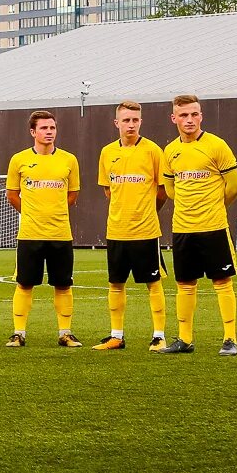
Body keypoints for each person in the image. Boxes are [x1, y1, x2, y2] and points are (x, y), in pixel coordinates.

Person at [160, 95, 237, 356]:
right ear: (174, 118)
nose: (189, 120)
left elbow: (236, 186)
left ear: (201, 116)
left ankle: (230, 339)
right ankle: (185, 339)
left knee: (222, 282)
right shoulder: (170, 150)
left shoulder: (217, 146)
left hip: (213, 226)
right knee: (185, 283)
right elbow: (171, 189)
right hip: (183, 228)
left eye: (194, 114)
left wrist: (215, 207)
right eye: (183, 115)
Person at [4, 111, 82, 348]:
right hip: (30, 234)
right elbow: (11, 194)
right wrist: (31, 213)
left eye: (52, 128)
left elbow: (73, 195)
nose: (49, 132)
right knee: (25, 283)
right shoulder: (19, 160)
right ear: (33, 132)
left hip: (60, 233)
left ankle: (65, 333)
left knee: (63, 284)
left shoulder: (69, 160)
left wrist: (54, 211)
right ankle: (18, 333)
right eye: (44, 128)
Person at [96, 101, 168, 351]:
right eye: (126, 120)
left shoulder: (153, 151)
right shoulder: (107, 152)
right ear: (117, 123)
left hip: (146, 230)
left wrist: (145, 211)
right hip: (116, 230)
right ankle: (116, 335)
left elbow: (162, 191)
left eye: (135, 120)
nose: (131, 124)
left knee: (153, 283)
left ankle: (159, 335)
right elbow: (109, 190)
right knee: (116, 283)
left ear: (141, 121)